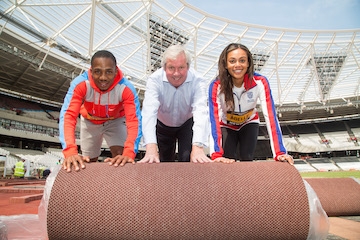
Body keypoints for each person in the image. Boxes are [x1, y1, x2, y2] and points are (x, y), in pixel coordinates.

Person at [208, 43, 293, 165]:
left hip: (249, 123)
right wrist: (216, 154)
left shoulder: (260, 82)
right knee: (225, 162)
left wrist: (280, 153)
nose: (237, 65)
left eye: (242, 60)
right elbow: (213, 119)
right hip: (226, 125)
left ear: (248, 63)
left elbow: (271, 116)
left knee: (247, 159)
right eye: (232, 61)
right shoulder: (216, 85)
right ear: (225, 64)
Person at [59, 50, 142, 172]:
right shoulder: (80, 84)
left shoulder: (126, 88)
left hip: (115, 121)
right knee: (88, 161)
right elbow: (68, 115)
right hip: (90, 121)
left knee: (122, 156)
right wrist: (70, 151)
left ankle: (119, 187)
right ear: (91, 72)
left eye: (109, 72)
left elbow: (134, 121)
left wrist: (129, 153)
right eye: (98, 72)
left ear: (115, 71)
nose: (103, 78)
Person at [139, 44, 211, 163]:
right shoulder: (154, 80)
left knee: (188, 159)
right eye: (171, 68)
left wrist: (198, 146)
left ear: (188, 67)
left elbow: (201, 112)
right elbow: (148, 112)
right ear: (164, 67)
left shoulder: (198, 81)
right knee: (163, 161)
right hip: (162, 124)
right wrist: (151, 147)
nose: (176, 74)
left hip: (187, 124)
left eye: (181, 67)